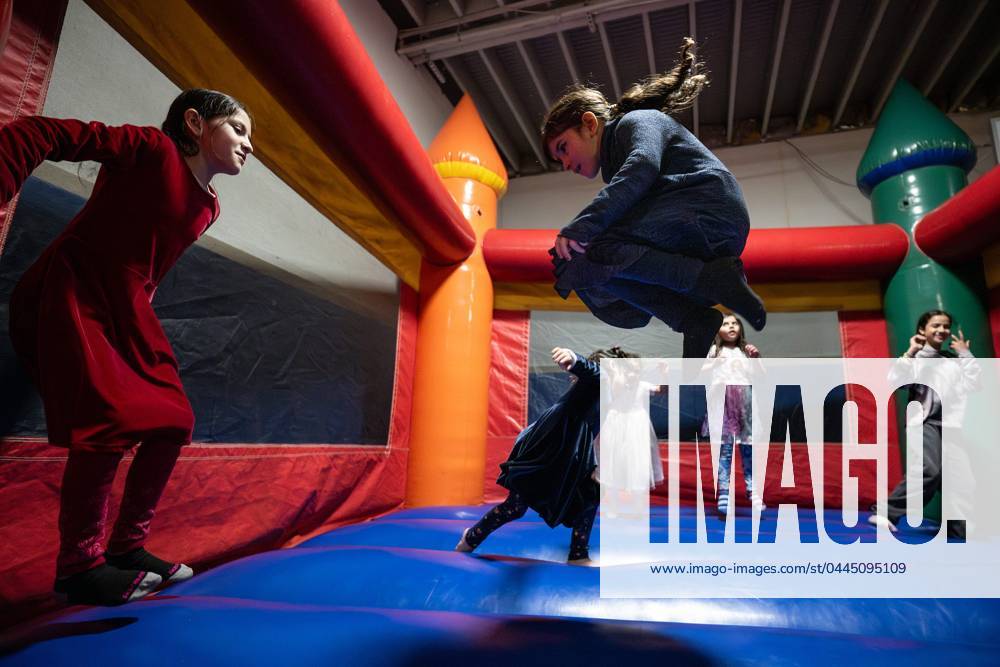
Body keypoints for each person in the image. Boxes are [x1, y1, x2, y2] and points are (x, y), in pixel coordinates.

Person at [2, 89, 254, 605]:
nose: (250, 145)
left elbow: (152, 264)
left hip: (127, 305)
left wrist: (138, 315)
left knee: (173, 418)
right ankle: (78, 565)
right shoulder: (149, 148)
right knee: (107, 418)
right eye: (239, 129)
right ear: (195, 122)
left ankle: (126, 548)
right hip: (73, 288)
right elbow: (42, 132)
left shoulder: (209, 206)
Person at [543, 37, 765, 359]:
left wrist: (584, 225)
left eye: (563, 148)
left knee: (592, 245)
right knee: (580, 260)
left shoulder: (638, 121)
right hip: (689, 229)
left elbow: (642, 166)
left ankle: (711, 280)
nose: (564, 164)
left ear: (589, 125)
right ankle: (693, 319)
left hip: (709, 210)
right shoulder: (615, 164)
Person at [455, 346, 635, 565]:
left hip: (568, 453)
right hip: (543, 448)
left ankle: (578, 555)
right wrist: (573, 358)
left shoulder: (611, 394)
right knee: (515, 508)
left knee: (591, 494)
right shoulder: (598, 381)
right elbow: (593, 370)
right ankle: (471, 536)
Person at [868, 310, 978, 540]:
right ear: (922, 330)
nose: (942, 330)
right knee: (929, 469)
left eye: (945, 326)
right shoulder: (915, 358)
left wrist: (965, 353)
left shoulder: (952, 360)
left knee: (962, 479)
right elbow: (896, 381)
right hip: (924, 422)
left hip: (950, 426)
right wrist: (911, 351)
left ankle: (958, 527)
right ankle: (886, 512)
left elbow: (974, 383)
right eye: (935, 325)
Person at [700, 314, 765, 515]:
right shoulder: (714, 350)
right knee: (725, 451)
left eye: (734, 323)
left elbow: (761, 376)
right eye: (725, 324)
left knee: (748, 448)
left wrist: (756, 359)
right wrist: (714, 363)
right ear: (717, 330)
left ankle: (752, 489)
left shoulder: (746, 351)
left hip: (744, 405)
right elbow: (700, 372)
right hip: (723, 404)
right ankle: (724, 492)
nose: (730, 326)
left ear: (740, 328)